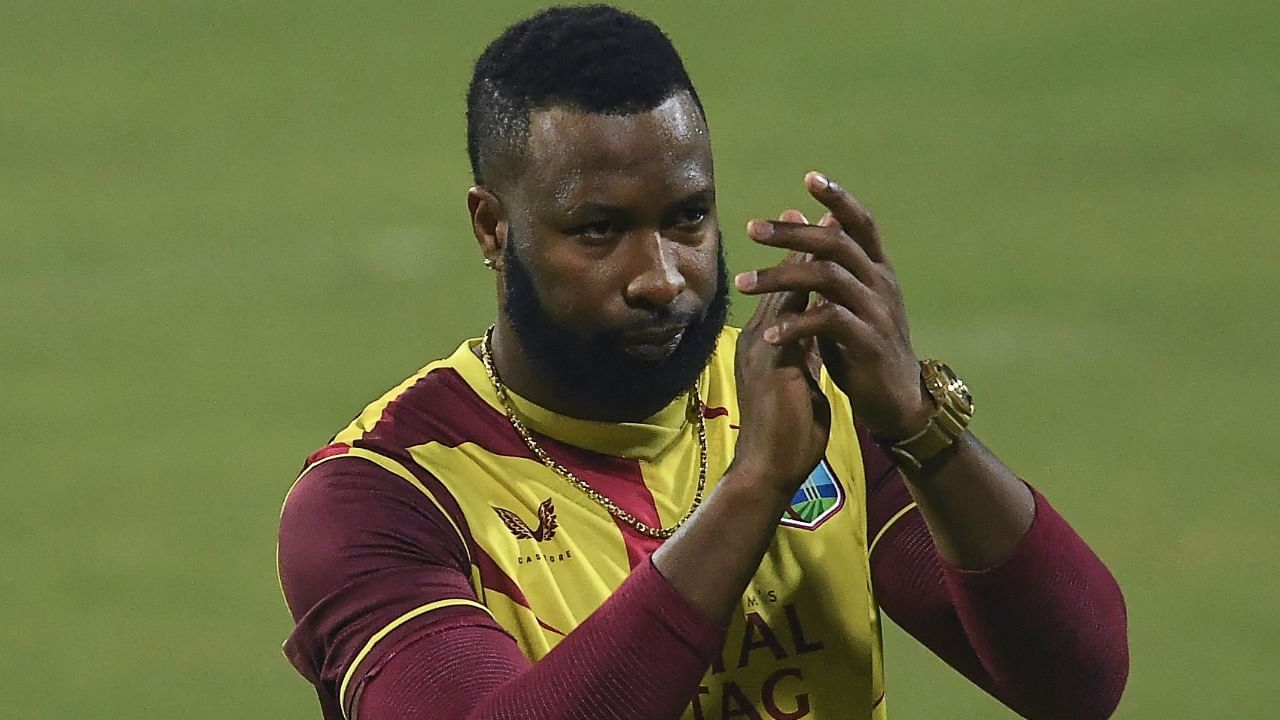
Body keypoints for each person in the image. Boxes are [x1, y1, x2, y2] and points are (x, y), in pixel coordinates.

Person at [277, 6, 1129, 719]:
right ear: (493, 228)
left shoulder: (801, 402)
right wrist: (754, 488)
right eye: (599, 231)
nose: (661, 277)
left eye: (688, 217)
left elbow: (1077, 681)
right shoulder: (382, 495)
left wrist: (917, 424)